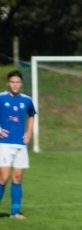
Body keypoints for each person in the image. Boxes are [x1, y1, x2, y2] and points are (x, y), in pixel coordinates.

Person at [0, 70, 37, 219]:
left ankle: (15, 212)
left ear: (21, 84)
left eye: (17, 82)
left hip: (20, 144)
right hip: (4, 144)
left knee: (18, 177)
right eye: (12, 82)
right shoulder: (1, 97)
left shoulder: (27, 100)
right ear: (8, 83)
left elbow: (32, 115)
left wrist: (28, 133)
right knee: (3, 178)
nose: (15, 85)